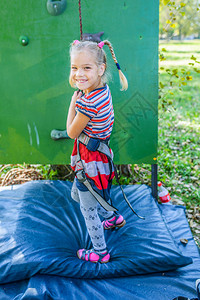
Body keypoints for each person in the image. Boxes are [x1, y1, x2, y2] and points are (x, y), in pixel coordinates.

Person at [67, 39, 128, 263]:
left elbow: (72, 132)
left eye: (86, 67)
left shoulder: (86, 103)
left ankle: (100, 253)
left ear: (101, 69)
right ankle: (113, 218)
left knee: (88, 210)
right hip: (100, 157)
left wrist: (73, 104)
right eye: (74, 68)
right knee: (82, 194)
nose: (78, 74)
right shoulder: (102, 90)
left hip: (91, 161)